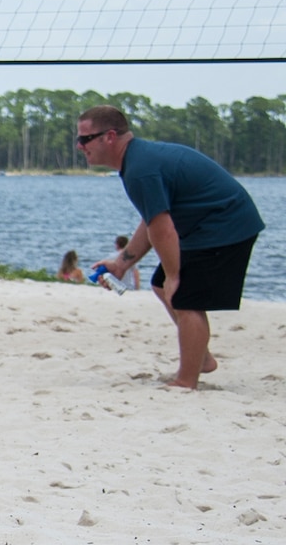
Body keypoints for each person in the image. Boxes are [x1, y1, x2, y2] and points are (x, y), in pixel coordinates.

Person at [83, 105, 266, 389]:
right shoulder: (137, 161)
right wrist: (122, 263)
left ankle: (186, 379)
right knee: (160, 285)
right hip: (211, 224)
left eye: (85, 139)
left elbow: (163, 228)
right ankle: (201, 358)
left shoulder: (140, 169)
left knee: (183, 295)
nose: (80, 146)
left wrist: (175, 275)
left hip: (227, 224)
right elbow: (151, 221)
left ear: (109, 136)